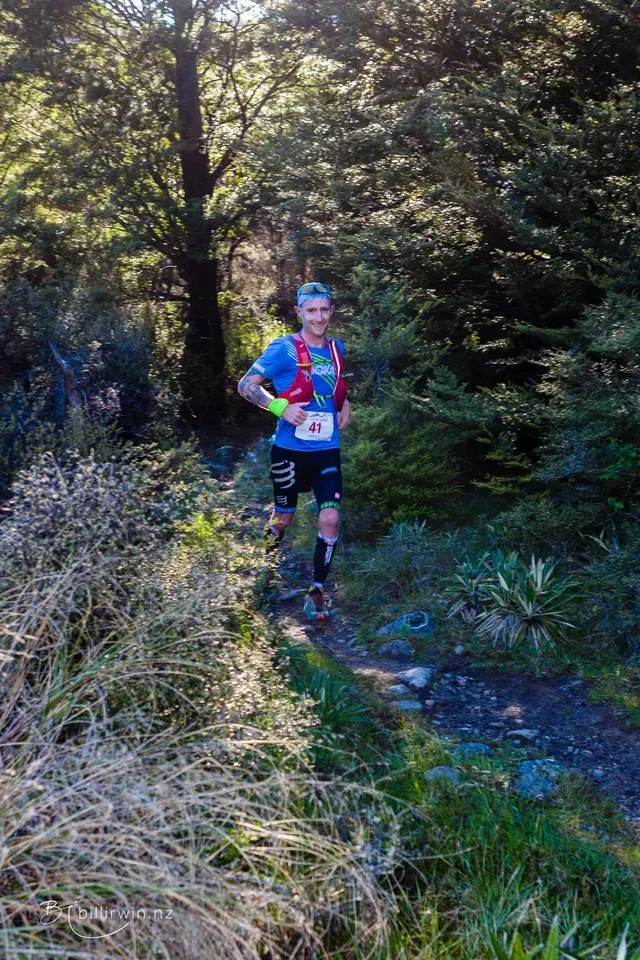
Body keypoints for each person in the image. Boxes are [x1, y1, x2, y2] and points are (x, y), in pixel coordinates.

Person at [237, 281, 352, 620]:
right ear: (299, 312)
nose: (318, 317)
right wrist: (280, 408)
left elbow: (336, 383)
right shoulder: (283, 349)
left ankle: (317, 590)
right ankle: (263, 570)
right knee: (283, 519)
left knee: (330, 517)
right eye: (311, 310)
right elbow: (246, 385)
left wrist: (347, 402)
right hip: (289, 451)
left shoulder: (336, 348)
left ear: (331, 311)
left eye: (324, 310)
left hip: (326, 451)